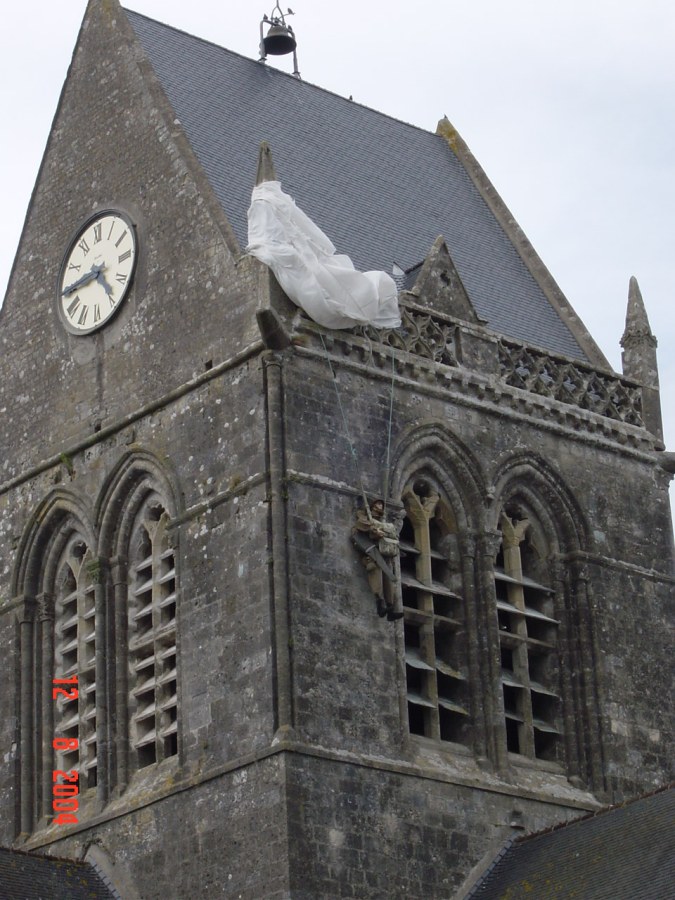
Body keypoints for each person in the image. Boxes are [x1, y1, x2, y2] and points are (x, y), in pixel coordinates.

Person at [352, 499, 403, 621]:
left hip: (384, 553)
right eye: (378, 504)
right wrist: (374, 530)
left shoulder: (383, 521)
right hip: (371, 553)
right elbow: (361, 525)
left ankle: (390, 608)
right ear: (373, 506)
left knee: (388, 578)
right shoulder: (365, 517)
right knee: (376, 573)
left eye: (382, 504)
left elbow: (392, 534)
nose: (380, 506)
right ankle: (380, 604)